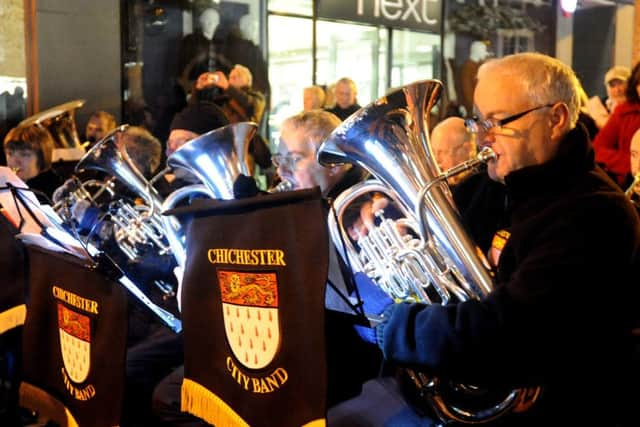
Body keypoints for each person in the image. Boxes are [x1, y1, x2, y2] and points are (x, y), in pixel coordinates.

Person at [374, 52, 640, 426]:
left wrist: (401, 328)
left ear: (556, 119)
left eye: (497, 122)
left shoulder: (596, 212)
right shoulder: (490, 186)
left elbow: (512, 330)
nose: (482, 137)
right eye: (478, 121)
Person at [149, 110, 382, 426]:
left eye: (294, 159)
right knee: (175, 391)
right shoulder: (294, 206)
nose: (282, 171)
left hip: (334, 351)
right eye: (279, 159)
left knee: (177, 397)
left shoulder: (362, 209)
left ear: (335, 162)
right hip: (290, 339)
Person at [120, 101, 229, 427]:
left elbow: (192, 263)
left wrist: (155, 259)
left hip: (198, 315)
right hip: (163, 304)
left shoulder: (212, 193)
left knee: (129, 363)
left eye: (183, 143)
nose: (172, 152)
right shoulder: (166, 190)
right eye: (170, 144)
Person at [592, 62, 640, 187]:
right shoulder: (625, 112)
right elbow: (597, 148)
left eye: (620, 84)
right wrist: (631, 162)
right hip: (629, 183)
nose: (617, 89)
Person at [3, 124, 62, 202]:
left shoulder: (55, 193)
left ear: (42, 158)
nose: (15, 161)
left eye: (24, 154)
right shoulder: (6, 185)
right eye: (10, 153)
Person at [430, 117, 477, 185]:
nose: (436, 160)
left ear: (467, 150)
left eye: (443, 152)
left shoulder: (482, 187)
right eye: (433, 152)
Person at [587, 65, 630, 129]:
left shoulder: (636, 108)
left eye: (621, 83)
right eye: (612, 85)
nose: (617, 90)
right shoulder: (597, 105)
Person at [459, 40, 489, 117]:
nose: (485, 54)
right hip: (472, 110)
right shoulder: (467, 68)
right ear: (477, 52)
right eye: (483, 51)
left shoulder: (477, 65)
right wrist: (474, 109)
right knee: (472, 128)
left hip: (479, 108)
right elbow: (467, 92)